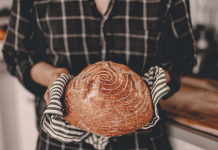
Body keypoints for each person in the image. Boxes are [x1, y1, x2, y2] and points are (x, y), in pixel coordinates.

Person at [2, 0, 195, 149]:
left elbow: (183, 56)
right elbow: (16, 54)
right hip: (61, 144)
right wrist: (54, 76)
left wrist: (148, 87)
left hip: (142, 142)